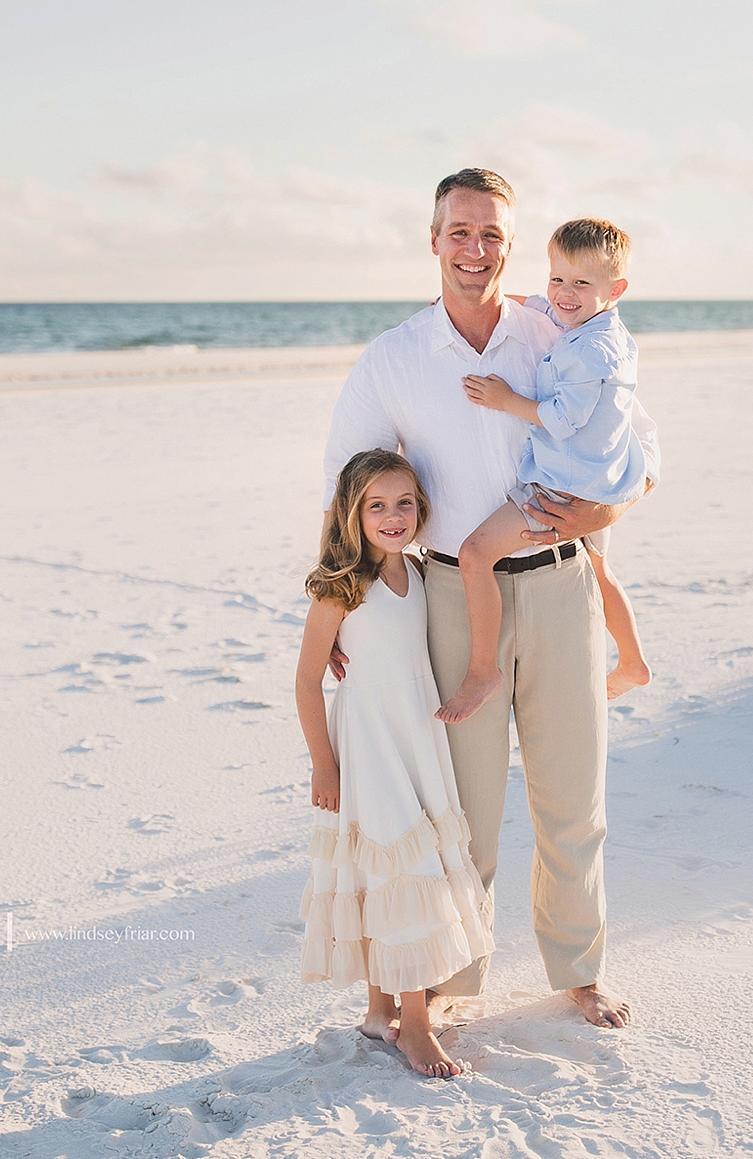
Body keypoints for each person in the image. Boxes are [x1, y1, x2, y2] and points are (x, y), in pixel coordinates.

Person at [321, 169, 658, 1029]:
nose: (477, 250)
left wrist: (601, 510)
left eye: (493, 236)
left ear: (511, 244)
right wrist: (337, 610)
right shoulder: (394, 357)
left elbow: (641, 452)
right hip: (446, 594)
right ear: (433, 239)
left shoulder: (560, 329)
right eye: (459, 232)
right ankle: (450, 980)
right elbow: (346, 489)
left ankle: (579, 971)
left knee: (571, 797)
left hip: (561, 586)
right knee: (465, 809)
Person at [295, 448, 491, 1078]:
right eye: (376, 505)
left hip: (416, 737)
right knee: (398, 867)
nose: (393, 515)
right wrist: (324, 766)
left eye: (404, 502)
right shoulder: (340, 587)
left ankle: (381, 1011)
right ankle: (414, 1025)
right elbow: (304, 681)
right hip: (368, 745)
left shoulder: (422, 573)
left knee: (389, 869)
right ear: (352, 514)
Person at [439, 217, 650, 725]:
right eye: (558, 279)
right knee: (598, 569)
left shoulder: (590, 350)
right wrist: (486, 300)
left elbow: (562, 418)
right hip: (602, 474)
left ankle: (482, 669)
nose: (564, 294)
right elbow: (542, 305)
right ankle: (634, 661)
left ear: (615, 289)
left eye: (581, 283)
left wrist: (506, 399)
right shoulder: (601, 328)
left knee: (473, 554)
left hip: (564, 485)